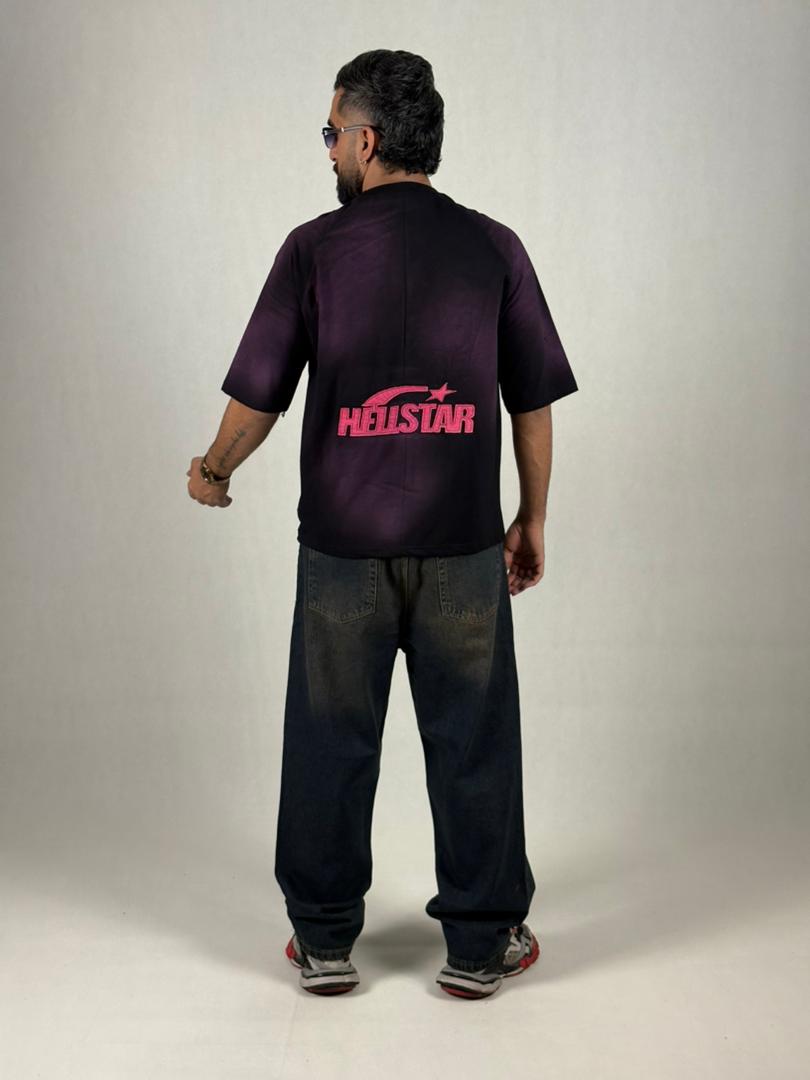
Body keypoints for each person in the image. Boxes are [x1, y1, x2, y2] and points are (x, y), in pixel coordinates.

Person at [186, 49, 578, 1000]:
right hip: (463, 547)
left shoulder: (314, 249)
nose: (328, 149)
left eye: (331, 133)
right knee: (475, 740)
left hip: (342, 552)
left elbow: (259, 394)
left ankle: (323, 941)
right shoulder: (495, 247)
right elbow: (530, 400)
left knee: (329, 738)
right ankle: (482, 944)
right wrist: (530, 517)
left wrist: (214, 470)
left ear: (365, 141)